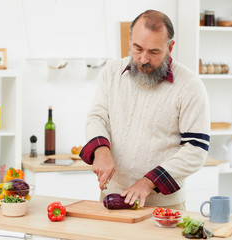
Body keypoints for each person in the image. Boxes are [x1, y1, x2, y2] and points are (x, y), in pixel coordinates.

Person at [80, 9, 210, 210]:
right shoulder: (112, 73)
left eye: (154, 52)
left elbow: (196, 149)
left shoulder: (190, 85)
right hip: (111, 198)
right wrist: (101, 149)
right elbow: (97, 116)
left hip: (164, 207)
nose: (143, 59)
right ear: (130, 38)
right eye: (138, 48)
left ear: (170, 47)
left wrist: (148, 182)